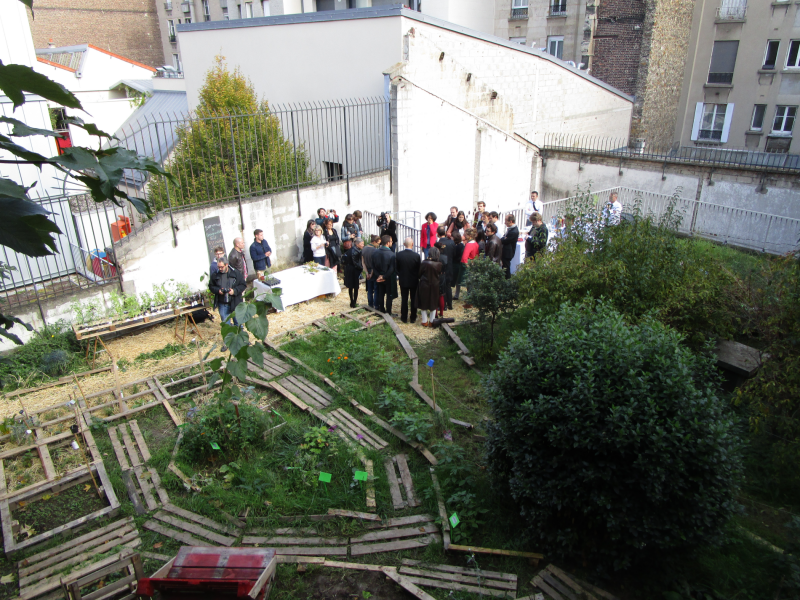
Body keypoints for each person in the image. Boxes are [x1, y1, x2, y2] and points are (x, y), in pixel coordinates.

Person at [209, 256, 246, 327]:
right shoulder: (215, 275)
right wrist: (218, 290)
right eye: (218, 267)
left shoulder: (235, 273)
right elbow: (211, 286)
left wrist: (234, 291)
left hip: (235, 302)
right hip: (222, 303)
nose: (220, 269)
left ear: (226, 265)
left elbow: (243, 285)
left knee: (238, 324)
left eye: (221, 267)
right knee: (226, 325)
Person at [396, 237, 421, 323]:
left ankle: (404, 317)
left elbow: (397, 268)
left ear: (404, 244)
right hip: (414, 280)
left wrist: (400, 274)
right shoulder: (417, 256)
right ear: (412, 244)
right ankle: (413, 317)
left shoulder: (399, 255)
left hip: (403, 280)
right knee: (413, 299)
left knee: (404, 299)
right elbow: (419, 269)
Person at [417, 246, 443, 328]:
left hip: (424, 284)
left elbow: (419, 274)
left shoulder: (424, 263)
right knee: (433, 302)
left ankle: (424, 321)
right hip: (435, 285)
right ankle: (432, 321)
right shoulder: (439, 264)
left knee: (423, 302)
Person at [372, 235, 397, 314]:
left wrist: (379, 275)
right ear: (388, 243)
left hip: (378, 276)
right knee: (389, 295)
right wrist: (384, 276)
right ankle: (388, 311)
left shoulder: (375, 252)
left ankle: (381, 310)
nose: (392, 243)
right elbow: (392, 268)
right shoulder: (392, 254)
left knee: (380, 294)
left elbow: (373, 266)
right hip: (388, 277)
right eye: (391, 241)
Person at [436, 226, 455, 310]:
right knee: (448, 286)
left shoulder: (438, 244)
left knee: (442, 287)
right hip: (450, 265)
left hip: (442, 267)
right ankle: (450, 304)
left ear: (437, 234)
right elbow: (454, 254)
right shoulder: (451, 242)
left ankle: (444, 306)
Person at [342, 238, 364, 308]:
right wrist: (361, 268)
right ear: (357, 244)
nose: (363, 245)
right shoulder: (355, 251)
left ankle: (352, 301)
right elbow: (355, 263)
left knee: (351, 287)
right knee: (355, 286)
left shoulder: (351, 250)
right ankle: (353, 302)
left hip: (348, 269)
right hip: (353, 270)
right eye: (362, 244)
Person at [461, 229, 480, 308]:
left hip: (470, 264)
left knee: (469, 284)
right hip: (475, 263)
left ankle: (469, 302)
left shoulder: (468, 245)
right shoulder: (476, 243)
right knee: (473, 283)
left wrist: (467, 266)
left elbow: (464, 258)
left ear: (469, 235)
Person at [362, 234, 379, 308]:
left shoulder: (364, 248)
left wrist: (366, 273)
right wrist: (371, 273)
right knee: (376, 289)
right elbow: (374, 264)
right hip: (373, 271)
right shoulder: (375, 251)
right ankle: (376, 305)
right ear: (375, 242)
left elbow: (363, 262)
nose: (379, 244)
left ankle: (370, 304)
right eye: (378, 243)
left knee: (369, 289)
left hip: (367, 270)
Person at [501, 214, 519, 279]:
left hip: (508, 252)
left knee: (506, 268)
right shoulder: (511, 229)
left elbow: (505, 240)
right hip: (506, 251)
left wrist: (504, 238)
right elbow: (504, 237)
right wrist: (504, 238)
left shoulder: (513, 231)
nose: (505, 222)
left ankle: (507, 280)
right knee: (505, 267)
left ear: (511, 221)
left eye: (506, 221)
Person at [452, 232, 464, 300]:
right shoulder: (462, 245)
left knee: (455, 280)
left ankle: (456, 295)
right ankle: (457, 294)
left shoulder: (454, 246)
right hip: (459, 263)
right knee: (457, 281)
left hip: (455, 263)